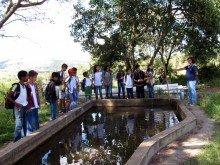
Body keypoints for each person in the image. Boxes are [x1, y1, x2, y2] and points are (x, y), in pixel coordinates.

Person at [6, 70, 29, 142]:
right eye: (27, 76)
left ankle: (24, 137)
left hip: (25, 106)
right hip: (18, 107)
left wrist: (26, 102)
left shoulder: (25, 85)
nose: (28, 77)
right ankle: (16, 140)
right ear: (22, 77)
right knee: (19, 123)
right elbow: (8, 97)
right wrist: (17, 104)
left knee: (25, 122)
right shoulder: (15, 86)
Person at [26, 70, 41, 134]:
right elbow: (26, 97)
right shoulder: (26, 85)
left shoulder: (35, 84)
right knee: (30, 120)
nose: (36, 78)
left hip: (35, 105)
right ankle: (29, 133)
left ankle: (38, 130)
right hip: (30, 106)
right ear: (30, 77)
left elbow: (37, 95)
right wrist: (28, 106)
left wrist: (39, 103)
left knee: (36, 119)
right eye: (35, 77)